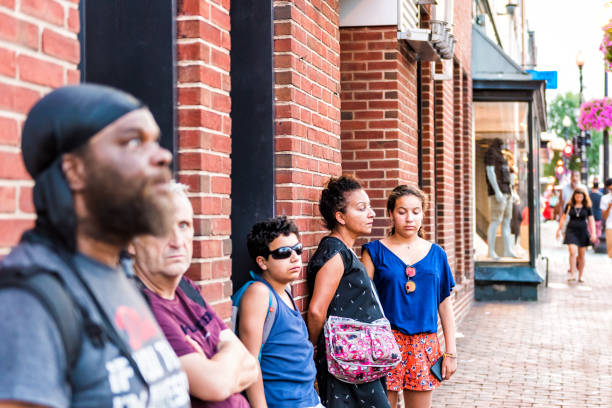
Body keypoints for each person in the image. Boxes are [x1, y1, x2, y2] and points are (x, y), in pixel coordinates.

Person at [0, 84, 190, 407]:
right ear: (75, 170)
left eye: (155, 141)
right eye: (133, 141)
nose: (163, 155)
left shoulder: (121, 274)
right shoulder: (27, 302)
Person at [131, 182, 257, 407]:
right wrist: (224, 360)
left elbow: (250, 366)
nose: (177, 241)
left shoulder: (186, 289)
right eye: (160, 228)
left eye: (183, 225)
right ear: (131, 242)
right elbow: (214, 384)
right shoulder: (138, 306)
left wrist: (214, 364)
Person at [361, 185, 457, 408]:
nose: (409, 218)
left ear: (423, 214)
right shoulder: (374, 252)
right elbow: (364, 304)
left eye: (415, 211)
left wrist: (451, 352)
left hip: (424, 343)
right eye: (402, 211)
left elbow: (444, 304)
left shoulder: (437, 254)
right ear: (391, 214)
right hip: (384, 342)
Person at [306, 175, 391, 408]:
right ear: (340, 216)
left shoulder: (345, 251)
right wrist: (313, 351)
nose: (371, 213)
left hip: (358, 361)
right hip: (344, 364)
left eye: (370, 207)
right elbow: (316, 310)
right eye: (362, 208)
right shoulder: (335, 252)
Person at [238, 216, 322, 408]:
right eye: (283, 252)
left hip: (308, 400)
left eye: (297, 249)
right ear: (262, 262)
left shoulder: (285, 291)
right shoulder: (259, 293)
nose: (294, 257)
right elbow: (251, 360)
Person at [484, 138, 516, 259]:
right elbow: (490, 171)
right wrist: (497, 191)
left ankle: (508, 249)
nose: (505, 146)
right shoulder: (491, 153)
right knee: (495, 220)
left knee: (507, 221)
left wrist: (512, 191)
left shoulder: (501, 156)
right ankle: (490, 251)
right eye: (504, 144)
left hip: (507, 192)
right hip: (498, 193)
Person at [556, 188, 597, 282]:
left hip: (582, 231)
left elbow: (591, 219)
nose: (579, 198)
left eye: (581, 196)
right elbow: (563, 217)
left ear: (584, 197)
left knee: (581, 255)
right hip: (571, 230)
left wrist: (593, 233)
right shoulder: (570, 205)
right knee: (572, 251)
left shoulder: (587, 206)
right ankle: (573, 274)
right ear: (574, 196)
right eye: (577, 196)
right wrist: (559, 229)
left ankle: (580, 275)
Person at [589, 181, 603, 245]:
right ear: (598, 187)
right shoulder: (601, 196)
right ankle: (596, 244)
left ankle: (590, 242)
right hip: (598, 215)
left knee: (590, 229)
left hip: (590, 215)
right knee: (598, 230)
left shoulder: (589, 195)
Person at [601, 178, 612, 259]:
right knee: (610, 253)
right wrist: (609, 207)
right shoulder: (605, 198)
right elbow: (604, 216)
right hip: (610, 227)